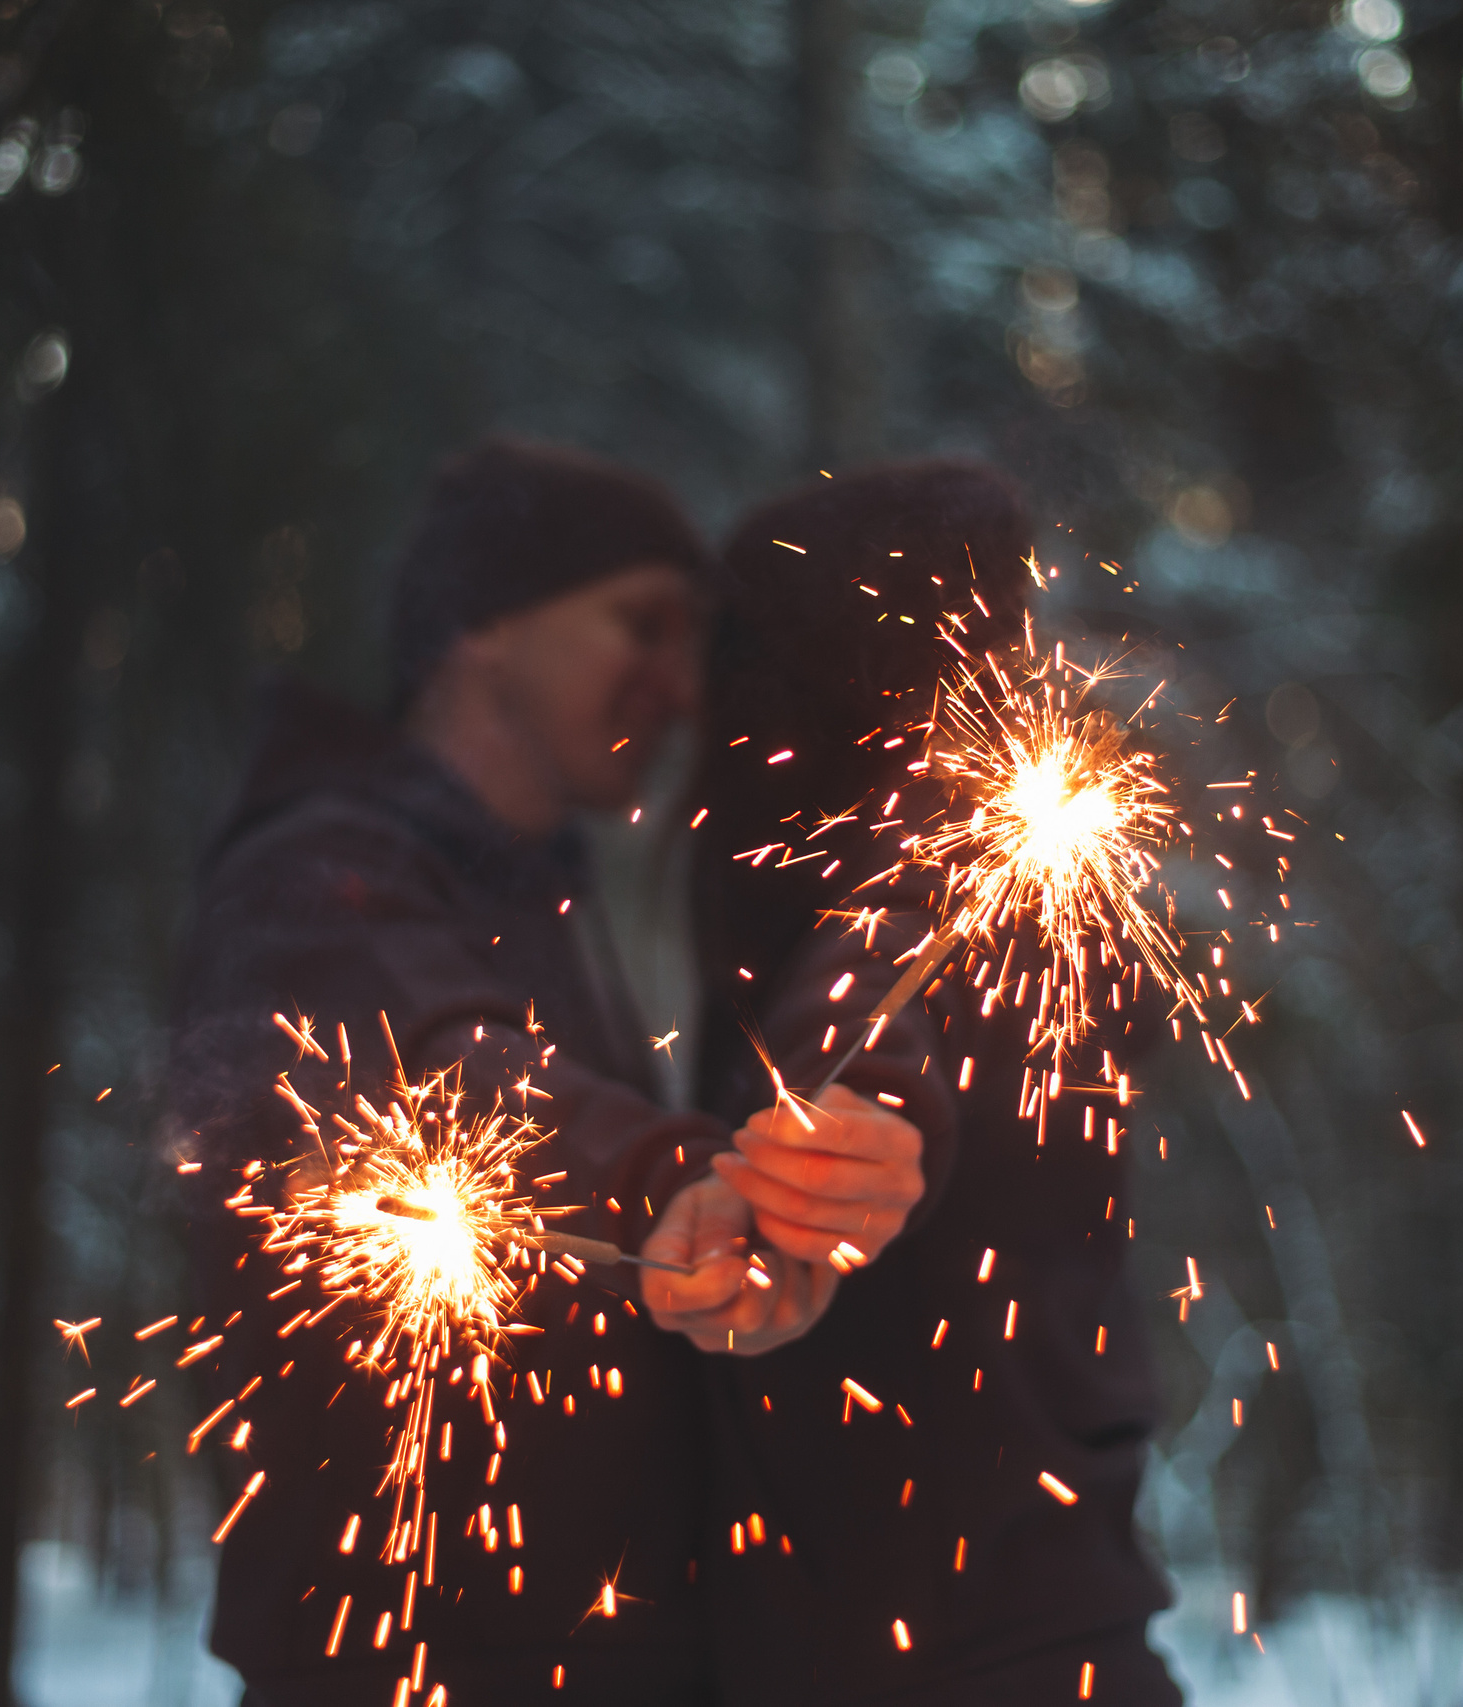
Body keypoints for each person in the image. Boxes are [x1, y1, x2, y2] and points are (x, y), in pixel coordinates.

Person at [167, 439, 927, 1706]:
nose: (679, 689)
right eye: (642, 626)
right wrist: (679, 1185)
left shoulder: (540, 894)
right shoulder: (311, 875)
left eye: (695, 644)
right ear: (483, 623)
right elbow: (433, 1075)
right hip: (415, 1673)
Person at [682, 462, 1186, 1705]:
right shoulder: (1041, 913)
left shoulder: (901, 904)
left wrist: (840, 1143)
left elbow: (860, 1047)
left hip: (934, 1664)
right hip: (1071, 1635)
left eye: (748, 659)